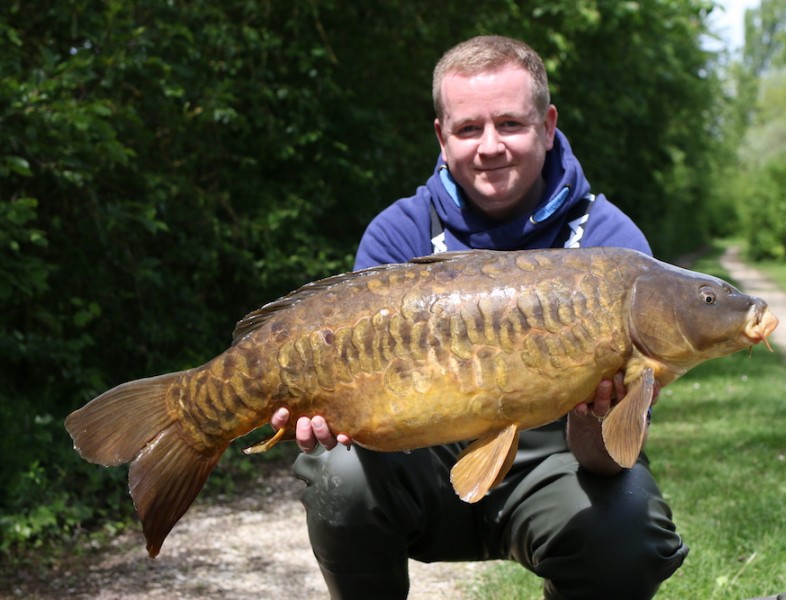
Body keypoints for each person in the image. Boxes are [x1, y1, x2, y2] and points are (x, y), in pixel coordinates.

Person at [271, 35, 688, 599]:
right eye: (469, 129)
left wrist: (598, 413)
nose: (490, 146)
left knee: (628, 530)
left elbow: (608, 462)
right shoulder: (398, 235)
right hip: (424, 465)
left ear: (547, 125)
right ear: (442, 138)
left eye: (511, 124)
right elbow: (362, 427)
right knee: (338, 476)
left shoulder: (613, 252)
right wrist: (326, 416)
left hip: (558, 471)